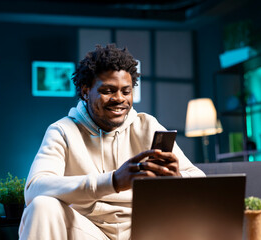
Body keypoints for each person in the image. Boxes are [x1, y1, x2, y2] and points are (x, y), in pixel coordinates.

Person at [18, 44, 205, 240]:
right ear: (85, 91)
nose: (119, 99)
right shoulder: (63, 131)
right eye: (108, 90)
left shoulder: (147, 125)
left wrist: (177, 179)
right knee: (42, 206)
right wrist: (113, 181)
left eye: (126, 91)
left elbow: (199, 179)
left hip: (144, 230)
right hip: (88, 232)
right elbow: (34, 188)